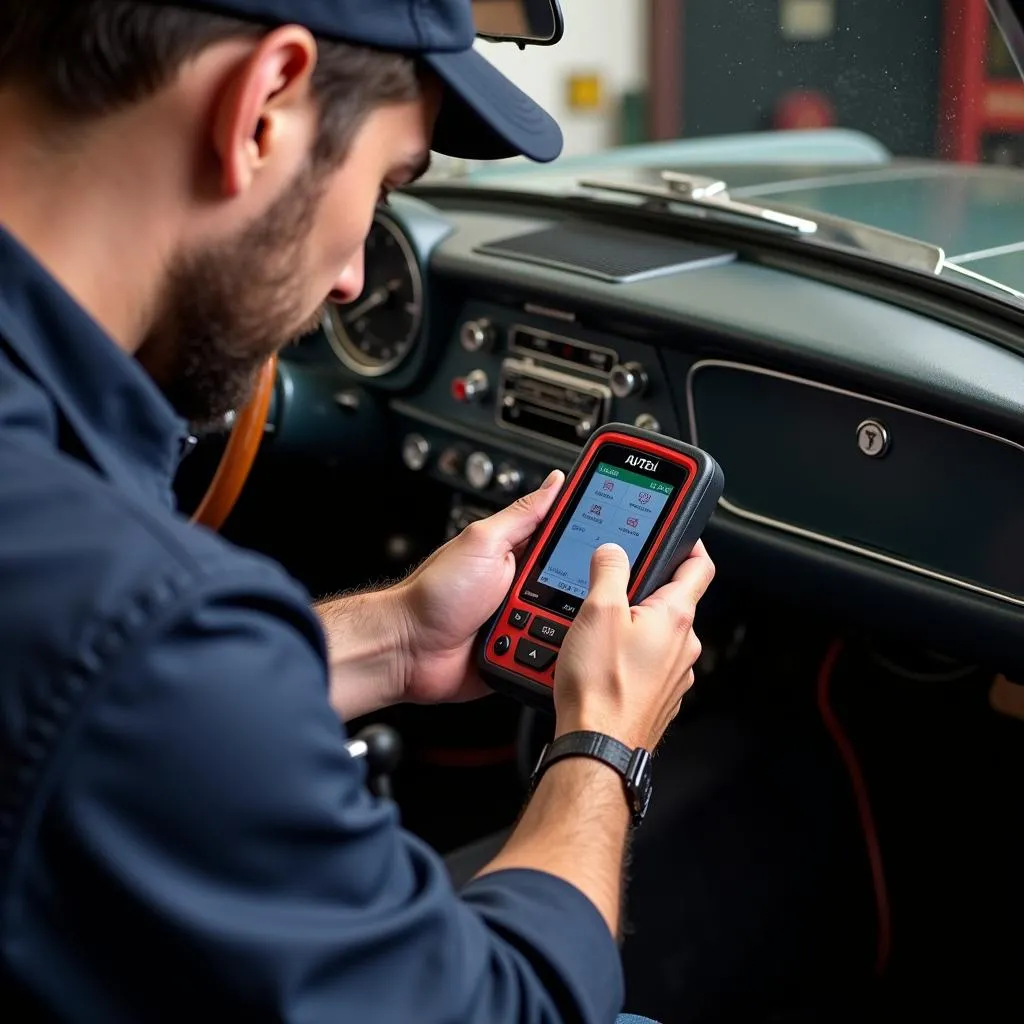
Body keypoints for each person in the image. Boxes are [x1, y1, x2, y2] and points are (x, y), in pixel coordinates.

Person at [0, 1, 715, 1021]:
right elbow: (510, 1007)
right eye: (382, 187)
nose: (348, 282)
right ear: (263, 106)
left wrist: (391, 640)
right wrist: (601, 743)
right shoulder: (137, 611)